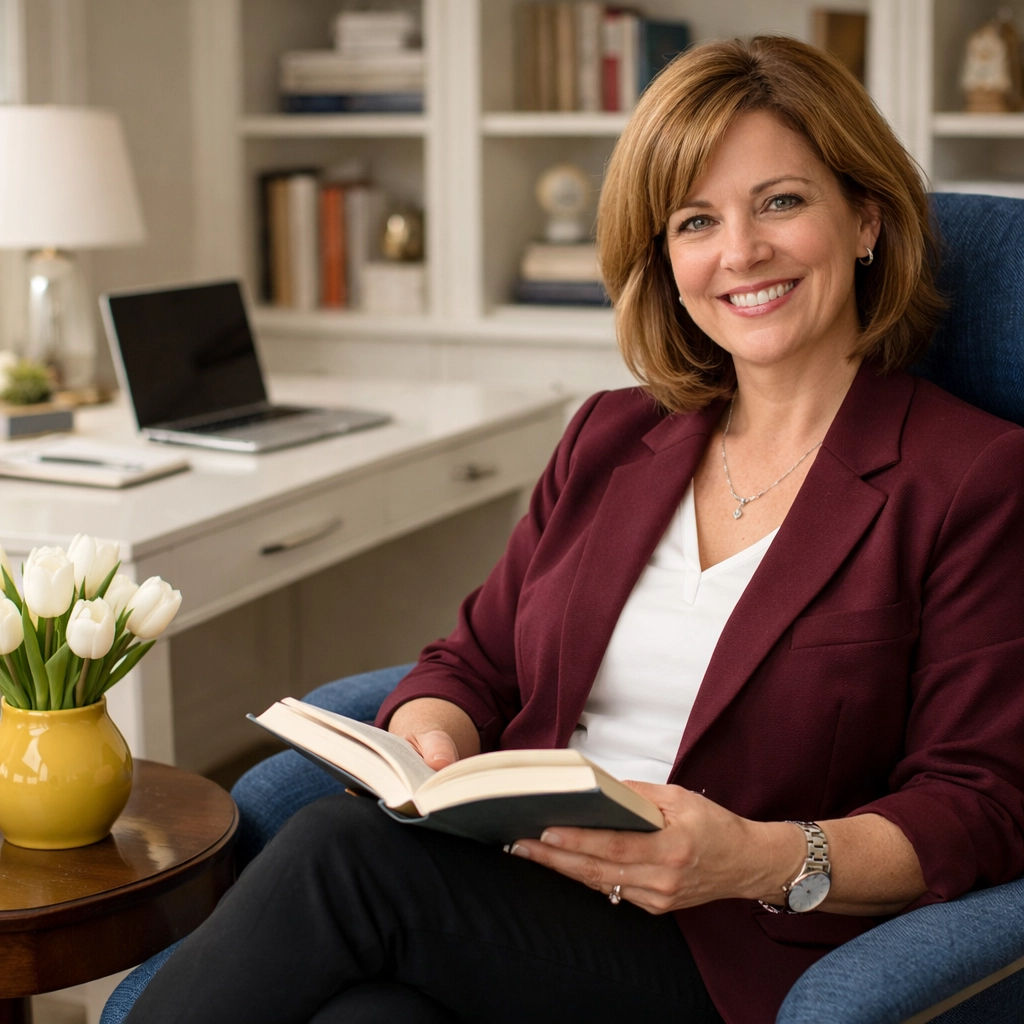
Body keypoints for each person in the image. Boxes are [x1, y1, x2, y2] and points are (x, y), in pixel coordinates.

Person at [125, 35, 1024, 1024]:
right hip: (517, 897)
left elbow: (976, 802)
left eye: (780, 201)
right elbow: (473, 660)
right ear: (665, 258)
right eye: (695, 220)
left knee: (338, 857)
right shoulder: (612, 434)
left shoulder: (970, 476)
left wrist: (757, 856)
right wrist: (430, 742)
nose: (740, 252)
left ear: (864, 219)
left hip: (724, 945)